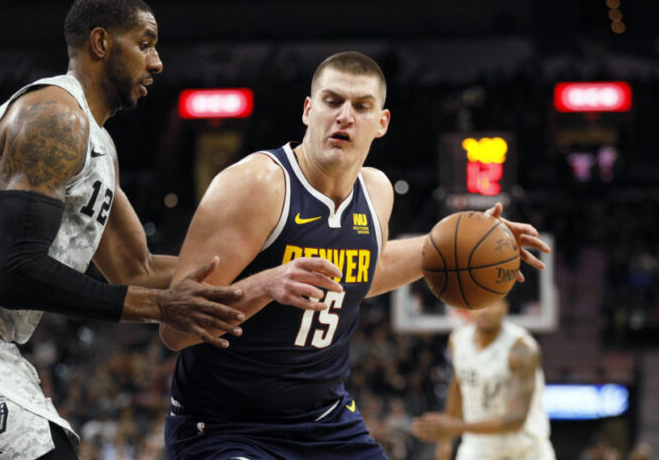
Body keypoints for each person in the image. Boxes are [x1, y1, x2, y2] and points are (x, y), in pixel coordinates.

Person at [0, 0, 339, 460]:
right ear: (101, 43)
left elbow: (136, 268)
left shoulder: (98, 146)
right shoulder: (54, 119)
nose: (158, 62)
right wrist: (163, 306)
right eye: (145, 44)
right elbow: (15, 272)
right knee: (46, 450)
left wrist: (273, 266)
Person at [159, 51, 552, 459]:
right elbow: (176, 331)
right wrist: (265, 283)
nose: (345, 115)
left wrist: (468, 241)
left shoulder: (376, 190)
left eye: (362, 106)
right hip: (227, 425)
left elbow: (370, 270)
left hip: (324, 421)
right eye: (333, 102)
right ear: (308, 111)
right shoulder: (255, 185)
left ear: (381, 123)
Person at [411, 297, 556, 460]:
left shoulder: (523, 349)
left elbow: (516, 419)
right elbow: (458, 388)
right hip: (479, 448)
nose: (485, 311)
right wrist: (445, 440)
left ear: (505, 308)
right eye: (479, 304)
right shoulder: (458, 340)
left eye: (492, 303)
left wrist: (452, 427)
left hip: (525, 450)